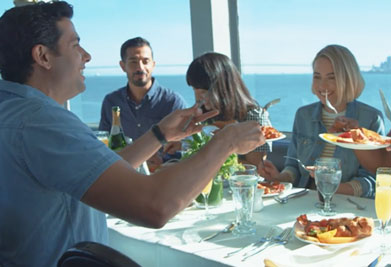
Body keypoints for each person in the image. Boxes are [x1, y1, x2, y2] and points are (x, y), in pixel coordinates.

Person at [0, 2, 265, 266]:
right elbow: (154, 206)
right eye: (75, 45)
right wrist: (226, 141)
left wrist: (159, 134)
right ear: (43, 56)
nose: (87, 55)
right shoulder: (43, 123)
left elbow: (100, 172)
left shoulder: (13, 113)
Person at [259, 44, 385, 198]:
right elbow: (293, 167)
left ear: (348, 79)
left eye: (331, 78)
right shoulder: (303, 115)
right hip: (302, 201)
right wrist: (279, 178)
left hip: (348, 205)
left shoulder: (371, 119)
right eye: (317, 76)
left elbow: (372, 180)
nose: (322, 86)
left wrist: (330, 188)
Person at [98, 37, 186, 169]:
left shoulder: (172, 102)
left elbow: (185, 147)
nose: (140, 68)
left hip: (162, 176)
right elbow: (103, 145)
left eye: (146, 61)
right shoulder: (111, 102)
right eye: (133, 62)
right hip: (123, 175)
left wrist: (163, 159)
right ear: (123, 66)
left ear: (153, 64)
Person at [185, 52, 272, 173]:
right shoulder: (204, 117)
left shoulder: (253, 117)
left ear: (223, 88)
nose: (199, 98)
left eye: (204, 91)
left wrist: (209, 156)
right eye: (195, 89)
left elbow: (256, 166)